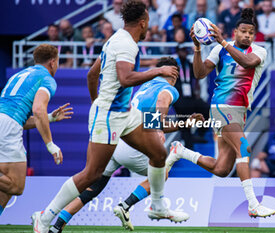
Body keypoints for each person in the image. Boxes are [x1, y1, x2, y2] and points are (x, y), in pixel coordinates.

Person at [32, 2, 186, 232]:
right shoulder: (126, 45)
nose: (148, 28)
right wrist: (157, 70)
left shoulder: (115, 39)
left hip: (124, 113)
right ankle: (45, 217)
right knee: (91, 175)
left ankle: (156, 205)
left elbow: (92, 74)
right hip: (109, 116)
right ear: (143, 23)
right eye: (148, 24)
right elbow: (125, 79)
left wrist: (96, 101)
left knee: (158, 153)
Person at [48, 57, 202, 233]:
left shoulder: (144, 87)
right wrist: (169, 123)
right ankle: (126, 205)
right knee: (162, 173)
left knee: (93, 186)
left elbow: (149, 121)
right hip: (134, 146)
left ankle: (57, 224)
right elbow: (159, 110)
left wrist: (173, 124)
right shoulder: (169, 89)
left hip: (116, 140)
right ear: (174, 75)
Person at [167, 8, 275, 217]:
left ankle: (181, 152)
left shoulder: (259, 51)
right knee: (243, 147)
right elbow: (199, 74)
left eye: (250, 33)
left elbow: (247, 62)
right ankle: (253, 204)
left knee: (222, 169)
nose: (247, 35)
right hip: (221, 108)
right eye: (243, 31)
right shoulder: (219, 51)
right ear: (235, 31)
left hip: (240, 112)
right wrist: (198, 48)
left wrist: (223, 42)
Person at [0, 44, 73, 216]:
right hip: (8, 128)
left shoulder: (20, 74)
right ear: (53, 62)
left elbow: (21, 119)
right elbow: (38, 109)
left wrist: (50, 118)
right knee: (16, 185)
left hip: (6, 122)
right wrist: (50, 145)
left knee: (7, 187)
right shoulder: (47, 78)